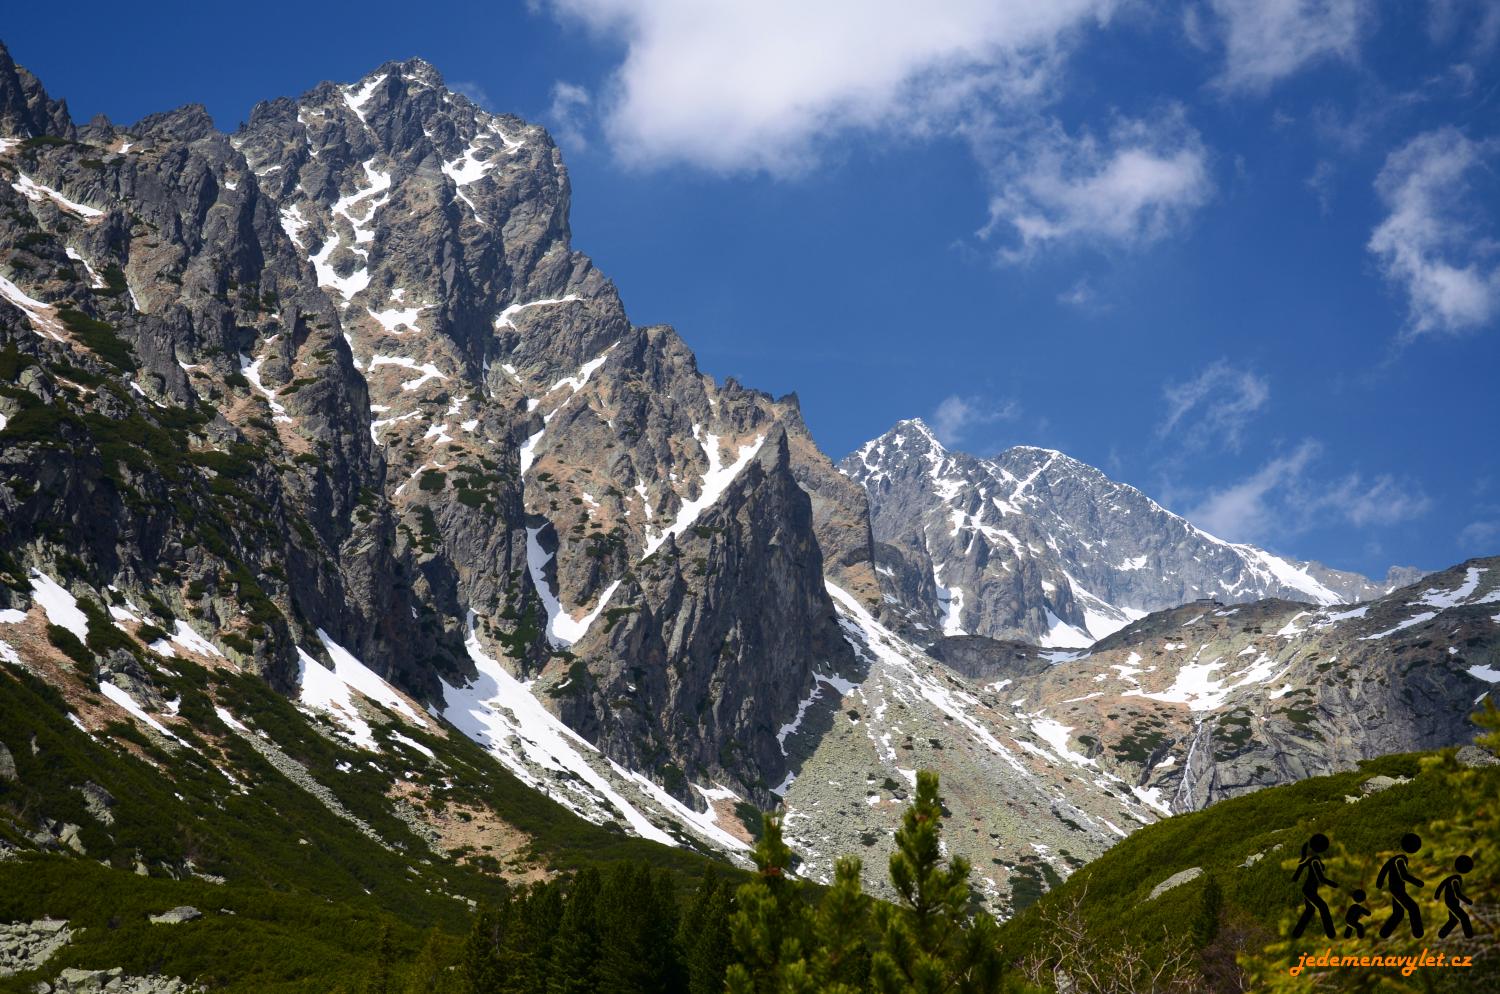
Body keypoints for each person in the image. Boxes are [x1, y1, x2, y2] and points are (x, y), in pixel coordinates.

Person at [1377, 833, 1425, 939]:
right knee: (1413, 908)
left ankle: (1384, 933)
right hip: (1397, 889)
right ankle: (1418, 934)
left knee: (1398, 913)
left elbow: (1385, 869)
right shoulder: (1400, 860)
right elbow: (1404, 875)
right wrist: (1418, 882)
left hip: (1395, 888)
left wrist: (1379, 882)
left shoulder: (1395, 859)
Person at [1292, 833, 1340, 939]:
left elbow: (1298, 872)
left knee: (1310, 910)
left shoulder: (1312, 859)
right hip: (1309, 889)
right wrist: (1335, 885)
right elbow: (1321, 878)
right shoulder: (1315, 861)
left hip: (1309, 889)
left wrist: (1301, 862)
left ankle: (1296, 934)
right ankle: (1331, 934)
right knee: (1323, 907)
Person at [1435, 855, 1475, 939]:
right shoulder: (1455, 880)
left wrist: (1437, 896)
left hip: (1450, 901)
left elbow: (1441, 885)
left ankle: (1441, 934)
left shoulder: (1451, 878)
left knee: (1453, 920)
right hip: (1452, 902)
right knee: (1464, 917)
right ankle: (1469, 936)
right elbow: (1458, 894)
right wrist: (1468, 901)